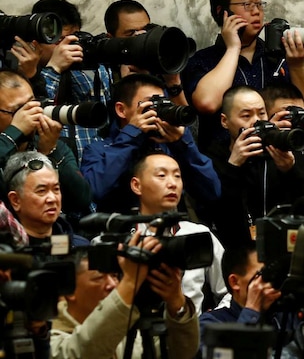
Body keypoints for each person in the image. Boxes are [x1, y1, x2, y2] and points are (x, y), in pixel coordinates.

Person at [182, 0, 304, 143]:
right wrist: (233, 48)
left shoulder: (276, 56)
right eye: (247, 5)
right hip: (225, 163)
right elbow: (207, 104)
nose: (256, 11)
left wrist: (297, 66)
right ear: (222, 12)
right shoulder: (202, 60)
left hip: (278, 157)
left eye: (259, 4)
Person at [80, 73, 220, 214]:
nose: (157, 111)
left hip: (168, 229)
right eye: (150, 104)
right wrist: (130, 136)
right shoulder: (99, 149)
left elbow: (211, 191)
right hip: (120, 231)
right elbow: (93, 191)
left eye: (161, 103)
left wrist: (184, 144)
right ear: (121, 110)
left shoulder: (173, 146)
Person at [201, 85, 304, 247]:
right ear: (225, 121)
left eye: (261, 113)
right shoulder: (214, 158)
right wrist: (234, 165)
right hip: (234, 250)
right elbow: (216, 214)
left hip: (283, 245)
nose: (256, 121)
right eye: (246, 115)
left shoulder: (281, 150)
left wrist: (290, 170)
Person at [51, 233, 198, 359]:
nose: (113, 285)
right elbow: (85, 350)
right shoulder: (48, 339)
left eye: (115, 276)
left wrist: (176, 302)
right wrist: (130, 281)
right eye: (98, 278)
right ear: (69, 291)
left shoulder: (129, 333)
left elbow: (180, 353)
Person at [130, 153, 226, 314]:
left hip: (190, 332)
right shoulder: (120, 239)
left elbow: (230, 291)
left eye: (177, 176)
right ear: (136, 185)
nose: (172, 184)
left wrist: (208, 323)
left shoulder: (199, 235)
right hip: (133, 334)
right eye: (161, 175)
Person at [0, 71, 91, 218]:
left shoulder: (51, 144)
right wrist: (14, 133)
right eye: (17, 111)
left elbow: (82, 200)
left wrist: (49, 152)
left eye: (31, 104)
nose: (29, 115)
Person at [34, 0, 114, 162]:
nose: (67, 47)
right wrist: (54, 68)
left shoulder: (91, 69)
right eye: (60, 40)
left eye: (73, 38)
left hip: (95, 166)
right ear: (36, 41)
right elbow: (38, 114)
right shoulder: (26, 73)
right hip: (54, 168)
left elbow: (104, 119)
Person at [199, 244, 284, 352]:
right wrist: (252, 310)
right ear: (235, 282)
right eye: (263, 274)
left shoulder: (284, 317)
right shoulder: (211, 325)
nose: (271, 280)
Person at [3, 151, 85, 245]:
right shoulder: (5, 254)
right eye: (41, 191)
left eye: (56, 189)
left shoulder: (79, 249)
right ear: (15, 200)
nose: (52, 199)